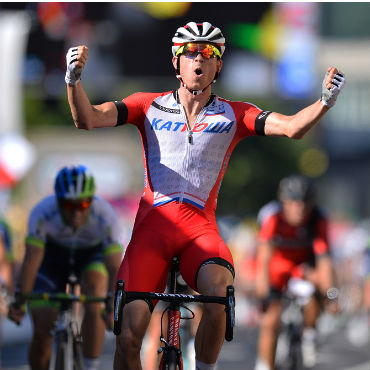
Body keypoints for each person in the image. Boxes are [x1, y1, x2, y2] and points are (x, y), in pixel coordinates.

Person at [64, 21, 345, 370]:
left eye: (208, 52)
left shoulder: (235, 114)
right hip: (152, 231)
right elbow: (87, 119)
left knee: (218, 295)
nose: (199, 58)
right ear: (176, 62)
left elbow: (292, 128)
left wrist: (324, 101)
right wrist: (73, 82)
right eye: (190, 52)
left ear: (218, 65)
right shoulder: (145, 104)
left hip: (200, 231)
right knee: (129, 336)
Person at [8, 165, 123, 370]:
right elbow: (32, 260)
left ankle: (90, 366)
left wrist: (111, 305)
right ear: (58, 201)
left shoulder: (106, 214)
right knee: (43, 328)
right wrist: (20, 300)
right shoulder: (42, 211)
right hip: (51, 258)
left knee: (95, 293)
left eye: (83, 204)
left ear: (92, 200)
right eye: (69, 205)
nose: (76, 212)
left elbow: (114, 266)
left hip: (90, 256)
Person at [254, 175, 338, 370]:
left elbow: (324, 261)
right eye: (293, 201)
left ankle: (309, 334)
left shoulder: (319, 218)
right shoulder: (272, 216)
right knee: (270, 321)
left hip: (303, 269)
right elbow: (263, 259)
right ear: (283, 201)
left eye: (304, 203)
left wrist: (330, 295)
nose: (299, 208)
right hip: (278, 269)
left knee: (315, 294)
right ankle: (265, 365)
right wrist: (263, 294)